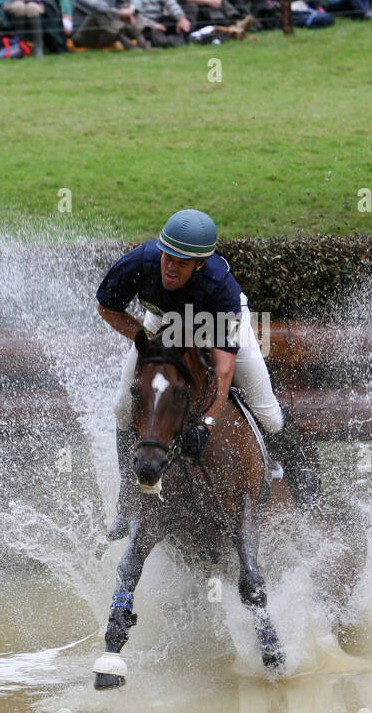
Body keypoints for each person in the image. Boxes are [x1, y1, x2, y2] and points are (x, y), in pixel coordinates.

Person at [96, 208, 318, 539]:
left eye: (181, 263)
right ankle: (126, 503)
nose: (170, 267)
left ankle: (304, 488)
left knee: (268, 412)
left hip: (216, 325)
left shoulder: (220, 286)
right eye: (167, 257)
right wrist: (146, 342)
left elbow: (224, 370)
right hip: (164, 323)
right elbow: (107, 307)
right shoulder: (139, 263)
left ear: (199, 264)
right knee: (121, 408)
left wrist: (208, 421)